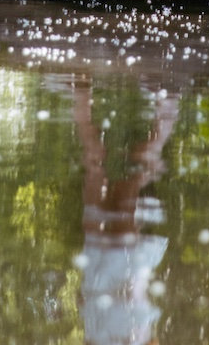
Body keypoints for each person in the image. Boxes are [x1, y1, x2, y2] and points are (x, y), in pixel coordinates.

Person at [73, 78, 179, 345]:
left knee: (110, 168)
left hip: (113, 270)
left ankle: (167, 103)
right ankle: (81, 91)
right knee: (104, 167)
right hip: (109, 270)